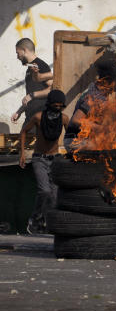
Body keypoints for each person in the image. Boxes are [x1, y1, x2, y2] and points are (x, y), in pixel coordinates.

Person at [17, 89, 66, 234]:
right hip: (39, 159)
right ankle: (35, 218)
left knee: (55, 195)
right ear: (49, 104)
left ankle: (47, 222)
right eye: (55, 105)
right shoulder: (38, 117)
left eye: (60, 106)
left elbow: (72, 136)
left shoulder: (64, 119)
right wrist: (22, 154)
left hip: (56, 159)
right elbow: (24, 131)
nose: (57, 109)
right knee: (44, 191)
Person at [64, 58, 116, 149]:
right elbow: (76, 120)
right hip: (74, 141)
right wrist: (102, 128)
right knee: (106, 147)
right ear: (109, 81)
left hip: (86, 139)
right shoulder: (93, 96)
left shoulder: (100, 90)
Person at [11, 37, 53, 123]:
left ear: (24, 50)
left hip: (40, 118)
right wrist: (20, 111)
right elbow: (29, 97)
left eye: (18, 53)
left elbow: (52, 89)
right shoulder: (30, 69)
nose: (17, 57)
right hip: (30, 117)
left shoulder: (41, 65)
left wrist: (32, 95)